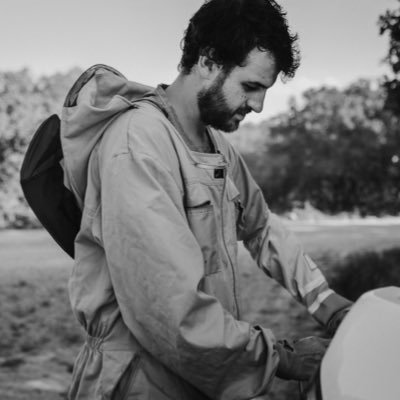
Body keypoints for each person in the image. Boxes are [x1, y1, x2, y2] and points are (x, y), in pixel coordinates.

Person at [62, 0, 352, 399]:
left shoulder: (217, 146)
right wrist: (279, 359)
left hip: (198, 377)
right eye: (251, 87)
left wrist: (329, 305)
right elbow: (168, 311)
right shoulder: (137, 144)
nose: (258, 105)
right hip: (139, 380)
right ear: (209, 61)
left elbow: (262, 226)